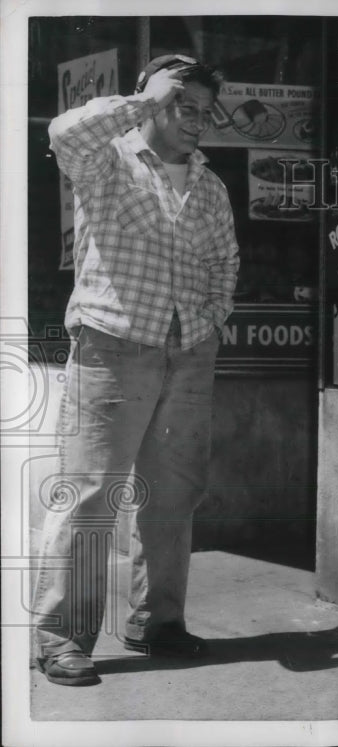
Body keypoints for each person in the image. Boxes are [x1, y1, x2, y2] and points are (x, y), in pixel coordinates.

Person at [32, 55, 240, 686]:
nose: (198, 121)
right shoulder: (107, 161)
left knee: (173, 496)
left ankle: (159, 622)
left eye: (206, 110)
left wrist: (209, 320)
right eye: (185, 105)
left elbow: (225, 260)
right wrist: (145, 97)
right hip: (114, 345)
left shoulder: (209, 185)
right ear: (154, 101)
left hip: (188, 352)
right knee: (91, 494)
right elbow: (64, 131)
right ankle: (60, 638)